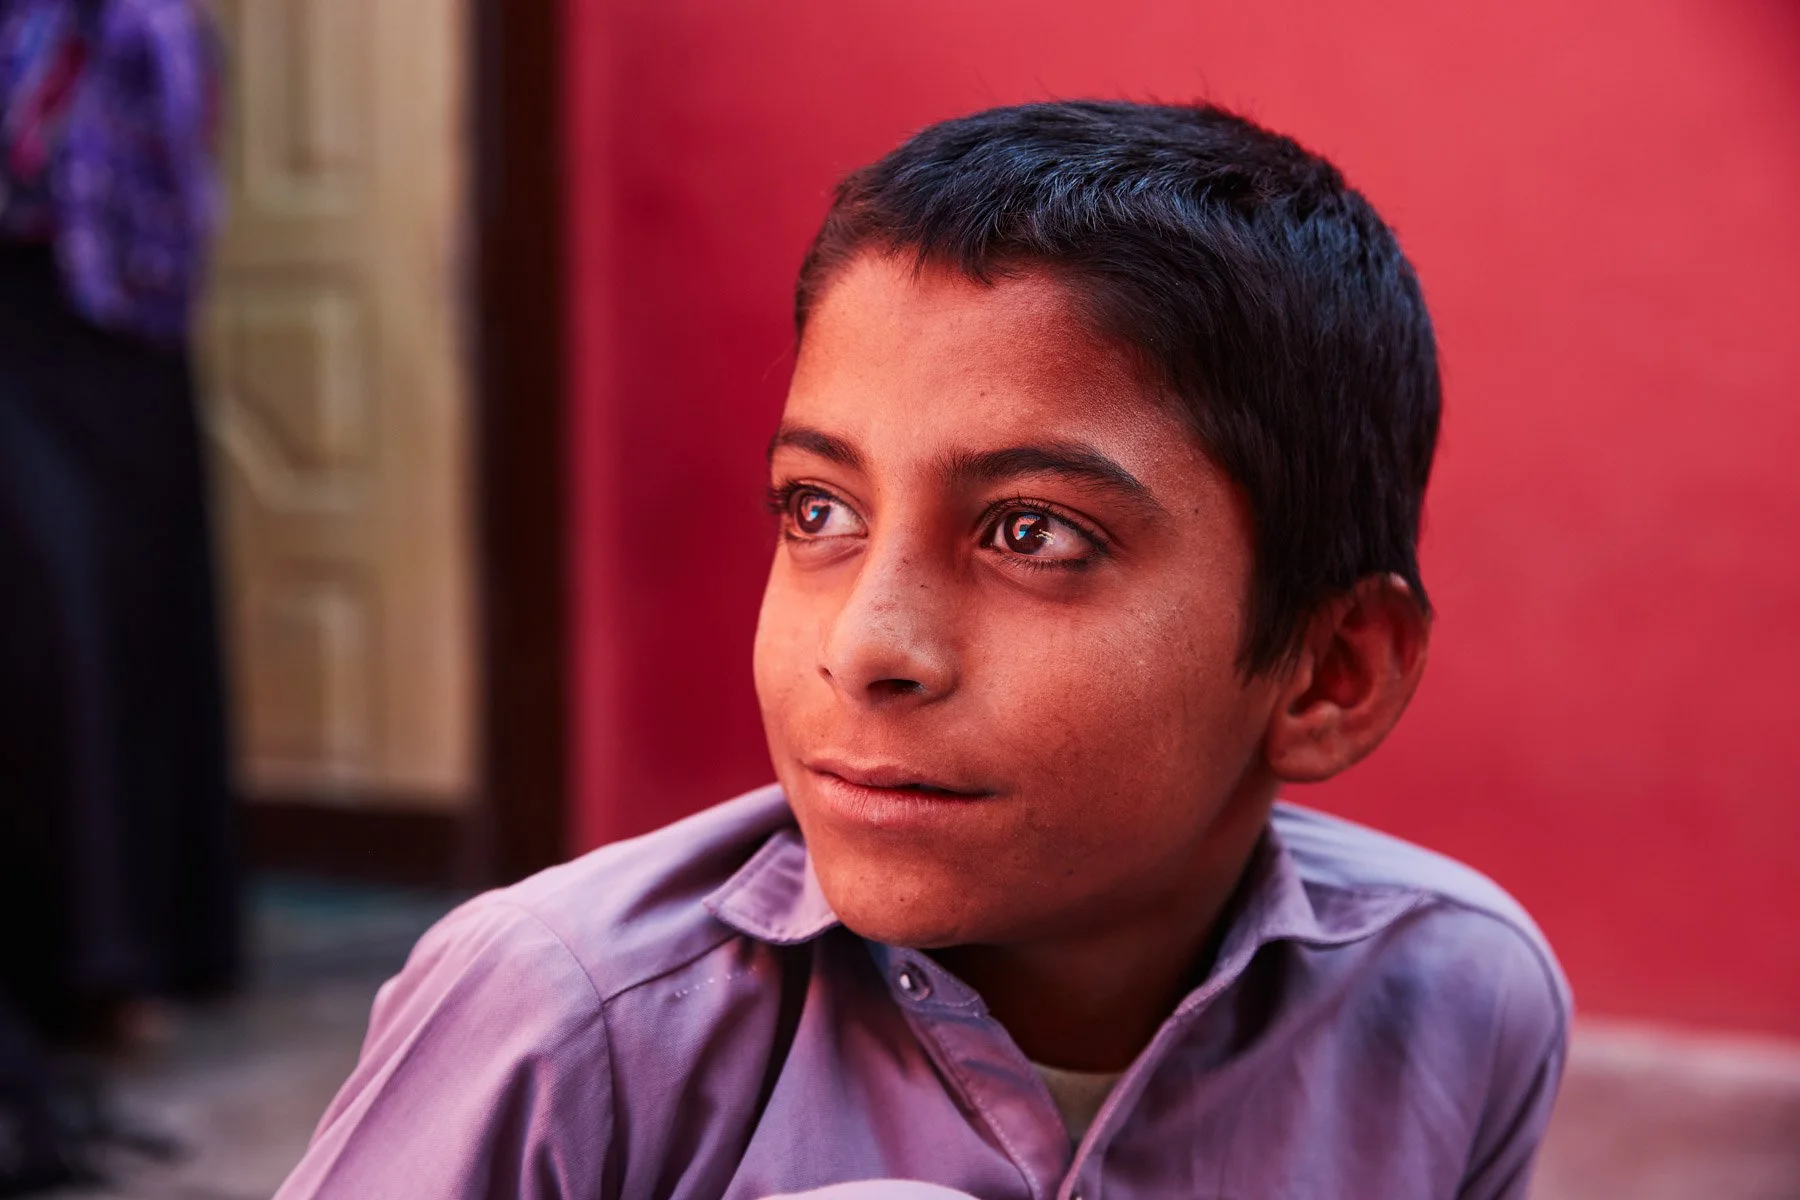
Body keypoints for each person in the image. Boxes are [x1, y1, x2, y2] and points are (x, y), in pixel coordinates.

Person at [275, 101, 1569, 1200]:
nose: (866, 646)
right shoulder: (567, 1020)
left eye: (1032, 533)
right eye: (817, 511)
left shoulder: (1457, 1000)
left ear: (1332, 672)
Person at [0, 0, 236, 1086]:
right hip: (19, 323)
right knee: (51, 626)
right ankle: (68, 962)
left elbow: (182, 142)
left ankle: (143, 948)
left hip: (127, 324)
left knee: (138, 624)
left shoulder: (149, 21)